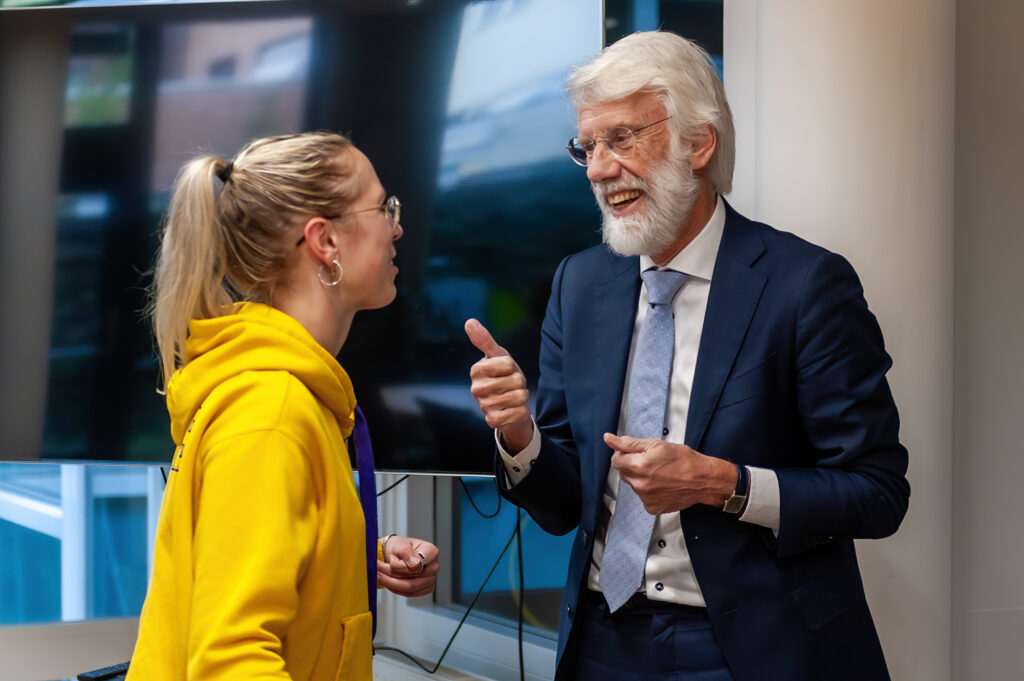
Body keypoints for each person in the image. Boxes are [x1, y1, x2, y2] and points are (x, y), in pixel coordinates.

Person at [465, 31, 909, 681]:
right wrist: (519, 433)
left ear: (698, 143)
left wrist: (724, 484)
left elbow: (877, 493)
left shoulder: (806, 285)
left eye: (621, 138)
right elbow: (563, 508)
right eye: (587, 147)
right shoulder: (578, 284)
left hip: (753, 646)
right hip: (601, 642)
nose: (598, 168)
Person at [127, 132, 439, 681]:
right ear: (324, 241)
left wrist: (359, 551)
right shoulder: (270, 417)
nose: (397, 226)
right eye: (383, 207)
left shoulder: (291, 399)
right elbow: (231, 659)